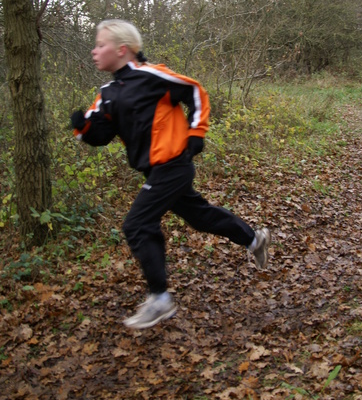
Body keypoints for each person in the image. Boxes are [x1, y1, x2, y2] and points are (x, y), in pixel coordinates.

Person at [71, 19, 271, 329]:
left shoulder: (152, 76)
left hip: (174, 164)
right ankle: (253, 239)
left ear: (122, 49)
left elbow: (195, 91)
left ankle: (160, 300)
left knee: (137, 223)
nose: (94, 51)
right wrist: (82, 127)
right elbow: (100, 135)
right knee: (200, 216)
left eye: (100, 45)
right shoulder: (108, 93)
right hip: (153, 171)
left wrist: (196, 133)